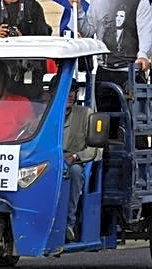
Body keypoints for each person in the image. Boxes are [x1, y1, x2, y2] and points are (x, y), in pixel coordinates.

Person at [69, 0, 152, 91]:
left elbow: (145, 32)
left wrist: (143, 55)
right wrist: (77, 8)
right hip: (104, 71)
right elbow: (87, 31)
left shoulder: (139, 0)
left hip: (129, 72)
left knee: (128, 105)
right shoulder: (98, 0)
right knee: (102, 106)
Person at [61, 82, 96, 242]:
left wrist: (75, 156)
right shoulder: (45, 113)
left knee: (74, 172)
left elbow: (95, 148)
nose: (70, 94)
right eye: (66, 89)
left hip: (74, 161)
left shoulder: (85, 114)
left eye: (73, 91)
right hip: (49, 158)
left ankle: (68, 223)